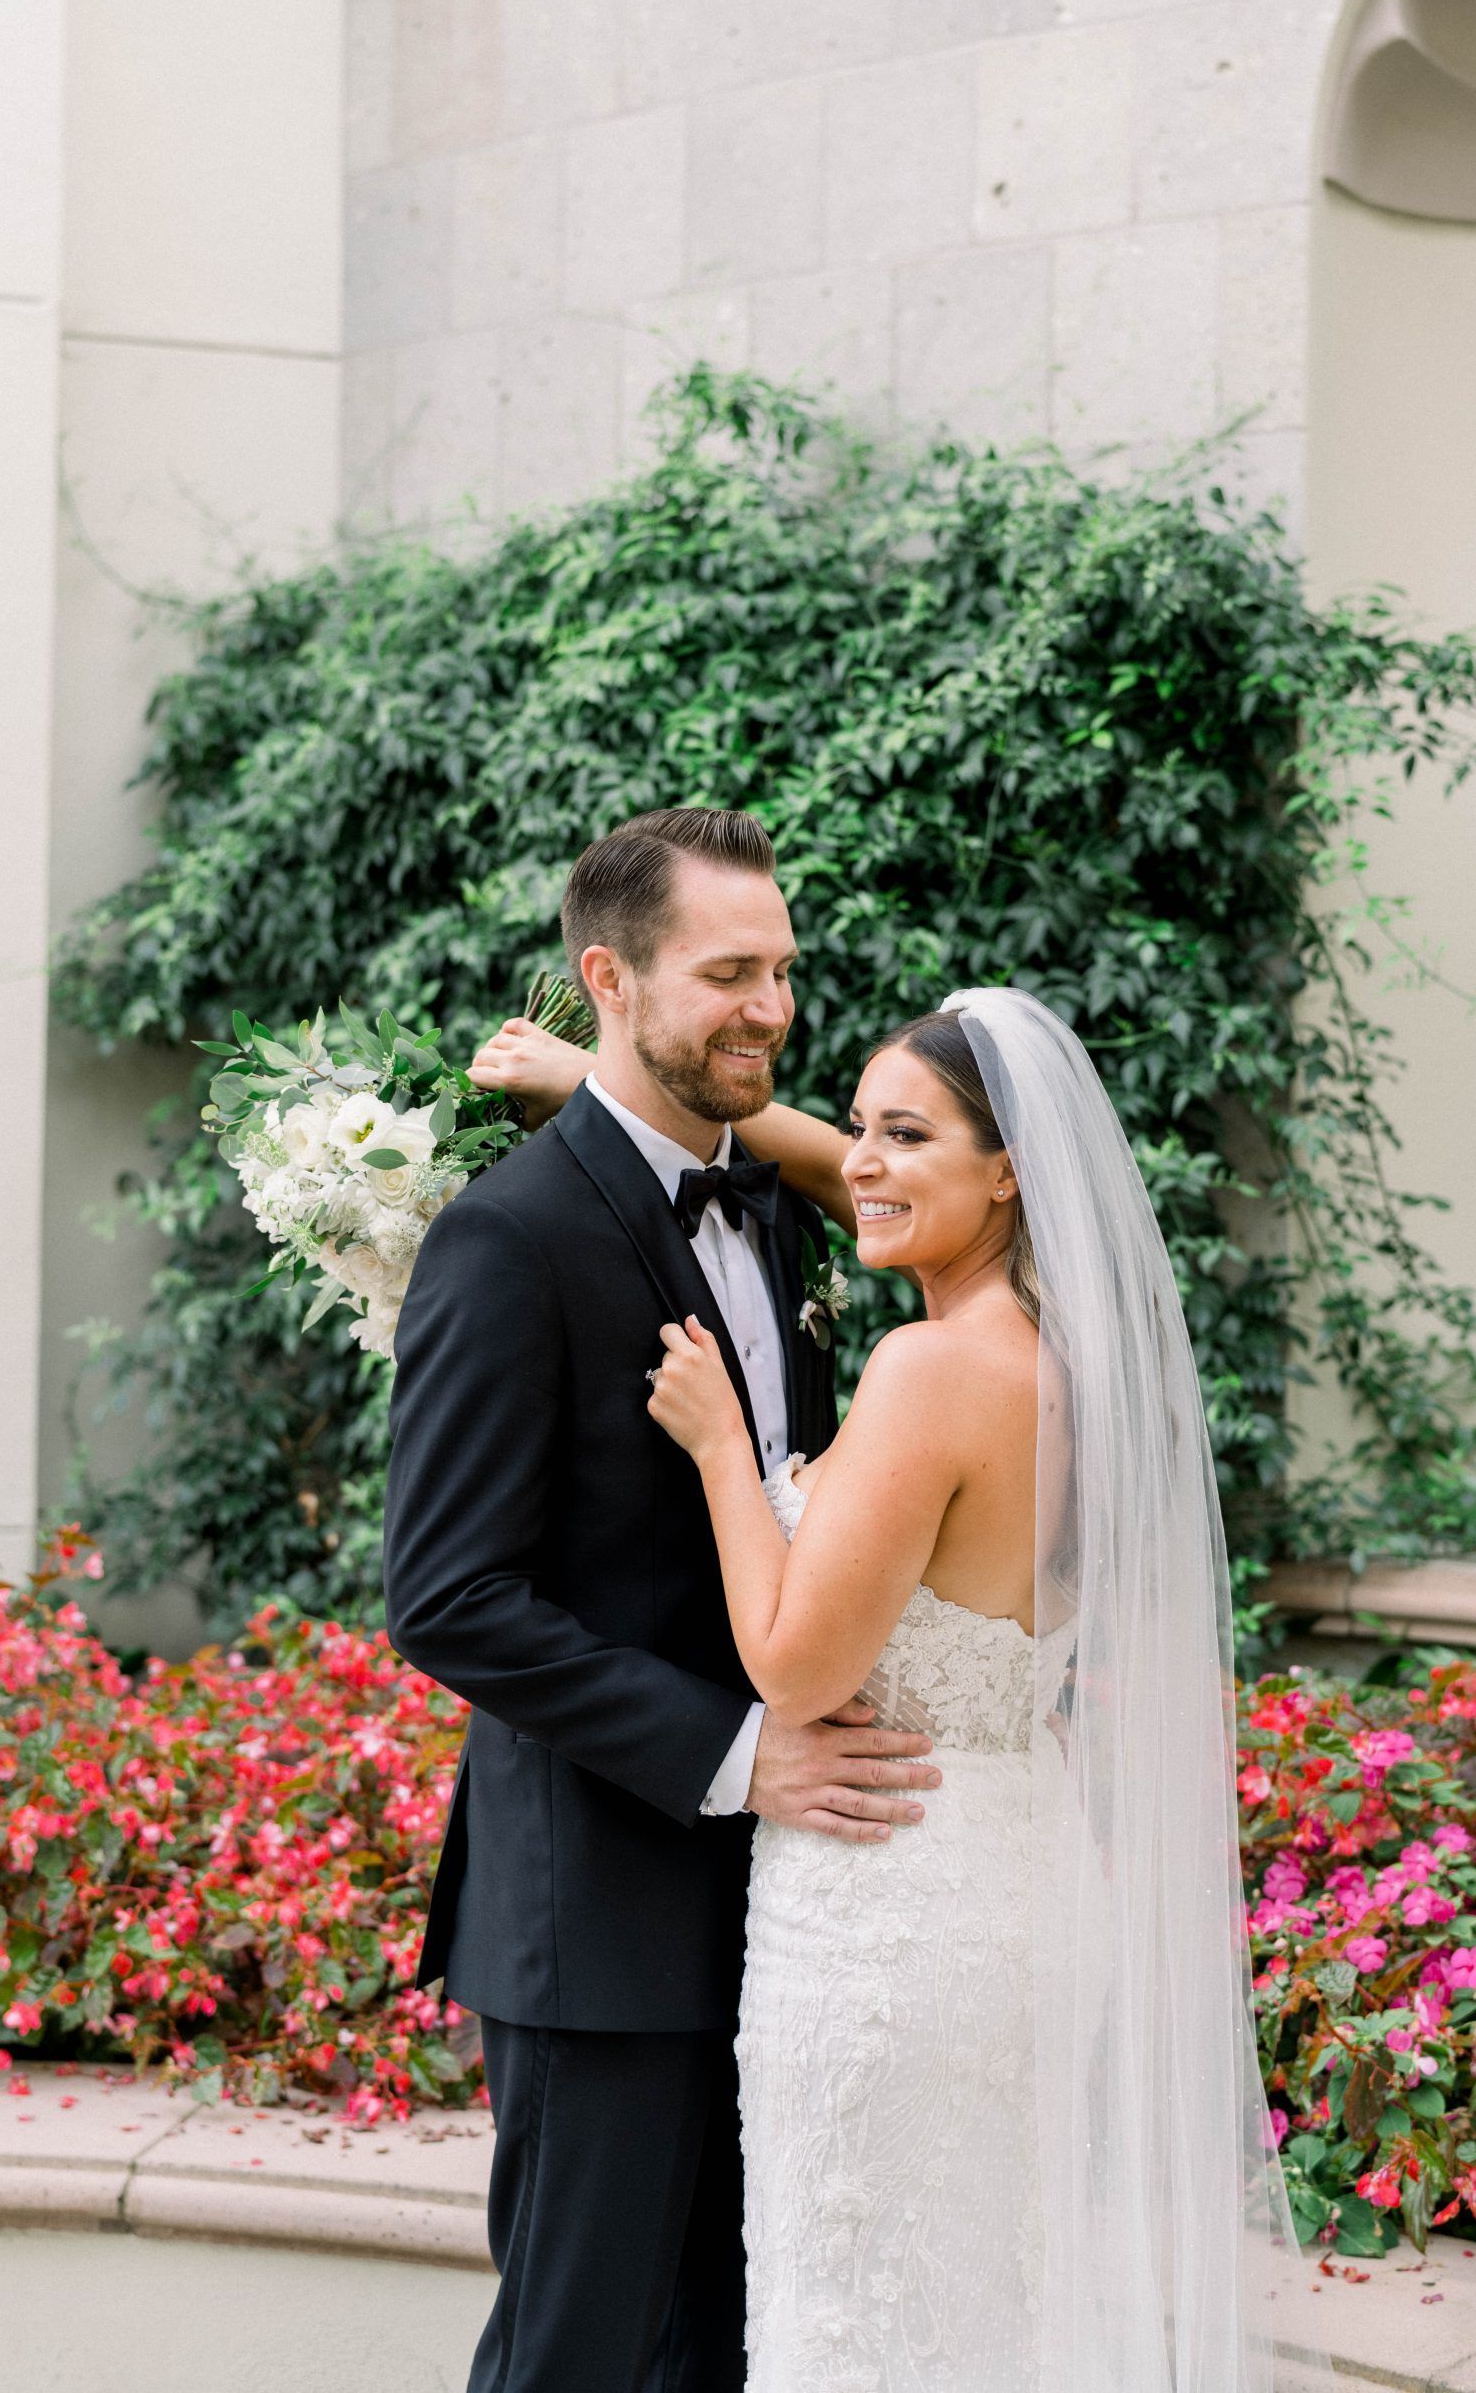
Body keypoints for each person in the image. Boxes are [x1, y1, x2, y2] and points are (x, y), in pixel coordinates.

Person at [480, 985, 1330, 2391]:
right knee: (991, 2307)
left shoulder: (930, 1369)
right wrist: (604, 1086)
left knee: (865, 2322)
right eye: (855, 1126)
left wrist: (722, 1452)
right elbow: (870, 1175)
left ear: (1008, 1172)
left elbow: (794, 1665)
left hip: (890, 1905)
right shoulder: (1075, 1363)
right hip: (1024, 1872)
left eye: (905, 1133)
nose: (857, 1160)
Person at [382, 807, 942, 2393]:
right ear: (609, 980)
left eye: (781, 968)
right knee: (578, 2360)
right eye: (726, 973)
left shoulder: (772, 1206)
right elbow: (448, 1595)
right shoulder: (509, 1240)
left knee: (729, 2357)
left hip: (791, 1915)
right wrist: (741, 1752)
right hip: (602, 1923)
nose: (769, 1005)